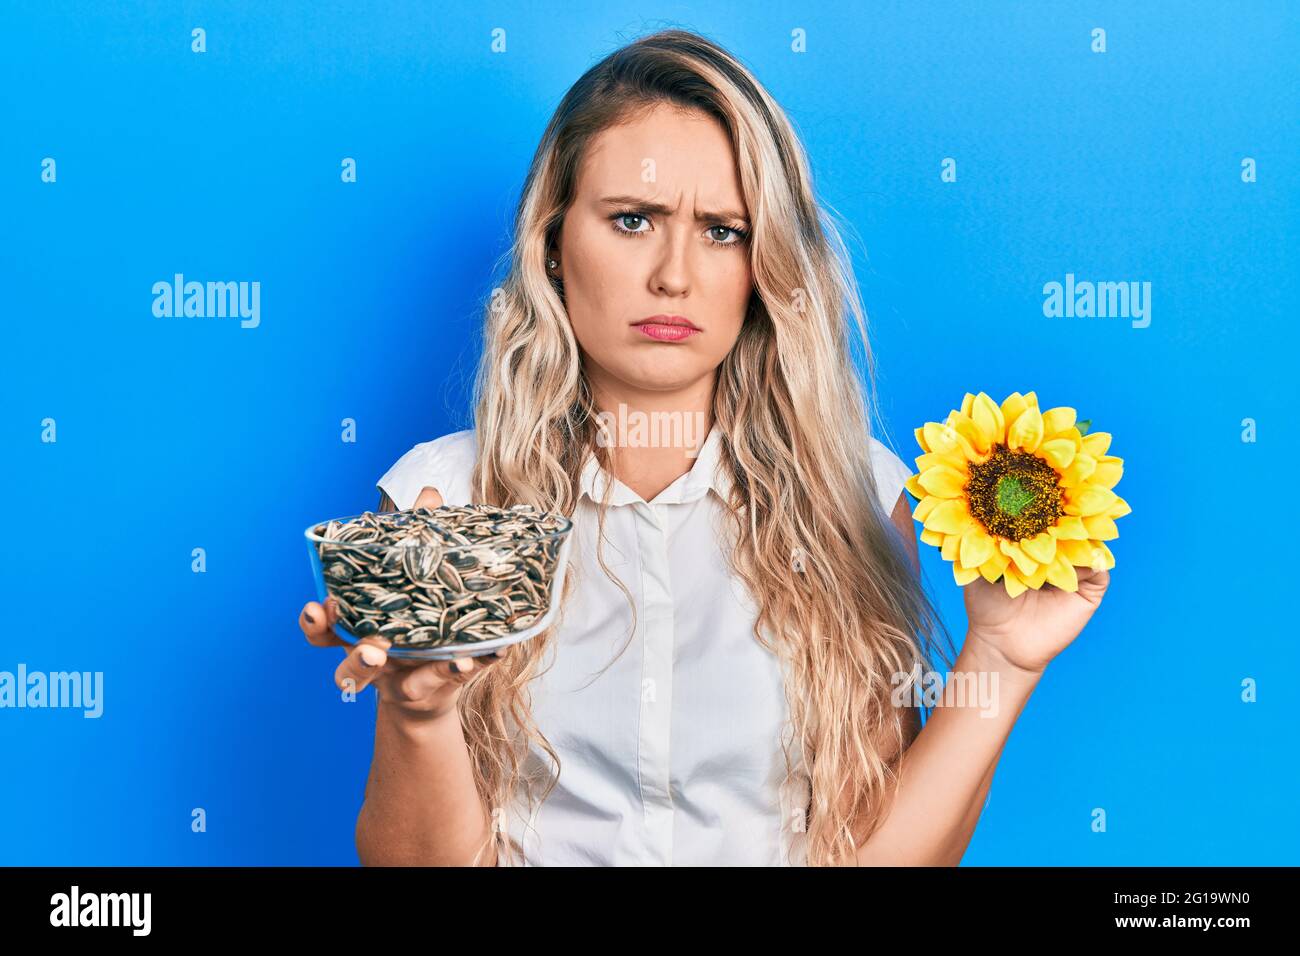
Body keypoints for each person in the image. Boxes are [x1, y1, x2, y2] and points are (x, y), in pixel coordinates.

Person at [299, 28, 1109, 867]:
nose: (674, 276)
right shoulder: (445, 499)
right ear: (552, 237)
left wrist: (1003, 659)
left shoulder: (857, 494)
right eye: (633, 220)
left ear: (765, 262)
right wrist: (419, 714)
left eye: (723, 230)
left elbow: (885, 857)